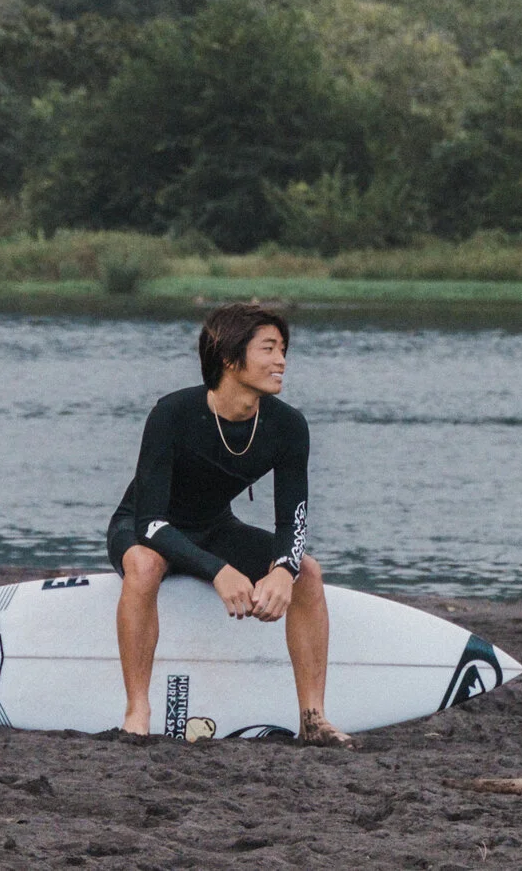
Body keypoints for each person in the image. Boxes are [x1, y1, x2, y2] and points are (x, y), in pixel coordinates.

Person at [106, 302, 350, 745]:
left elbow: (293, 519)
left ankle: (313, 718)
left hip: (214, 527)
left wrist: (284, 569)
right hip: (146, 526)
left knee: (308, 572)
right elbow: (150, 522)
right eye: (268, 349)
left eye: (283, 349)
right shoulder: (172, 414)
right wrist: (218, 571)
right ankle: (137, 711)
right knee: (143, 564)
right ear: (230, 357)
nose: (281, 360)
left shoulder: (287, 426)